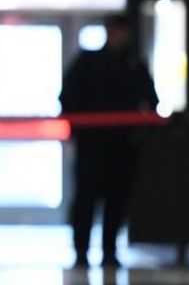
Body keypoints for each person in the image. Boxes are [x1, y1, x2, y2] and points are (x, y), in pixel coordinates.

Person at [59, 14, 158, 269]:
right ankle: (81, 251)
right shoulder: (88, 63)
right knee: (86, 200)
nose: (117, 36)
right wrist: (77, 130)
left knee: (117, 200)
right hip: (92, 145)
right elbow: (67, 98)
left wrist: (140, 133)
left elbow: (151, 101)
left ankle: (110, 250)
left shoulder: (134, 65)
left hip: (122, 146)